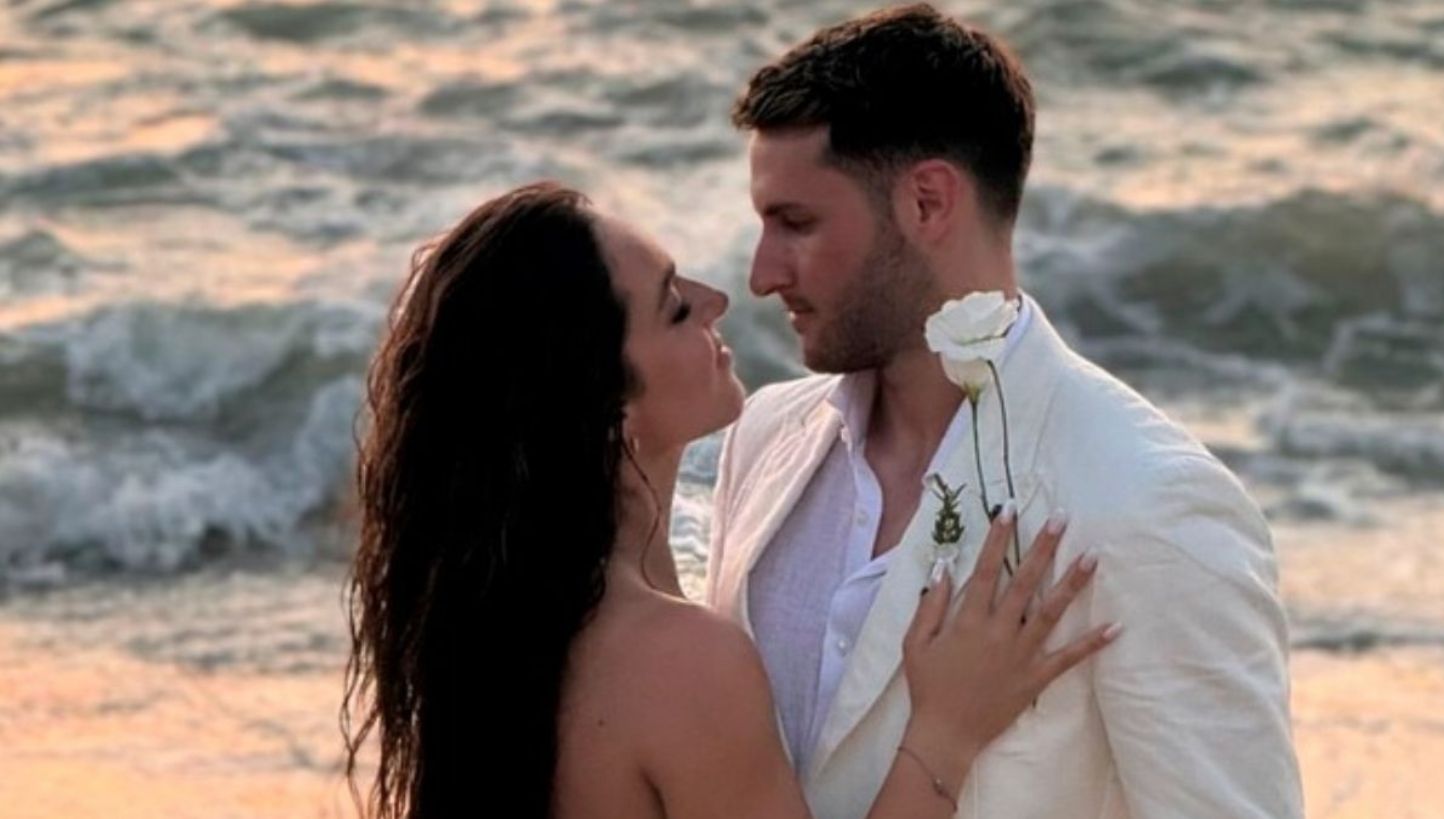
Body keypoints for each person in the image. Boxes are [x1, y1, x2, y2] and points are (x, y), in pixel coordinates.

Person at [342, 182, 1115, 819]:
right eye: (675, 307)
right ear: (607, 409)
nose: (717, 299)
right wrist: (945, 734)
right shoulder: (678, 660)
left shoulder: (503, 630)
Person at [708, 5, 1303, 818]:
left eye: (796, 223)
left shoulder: (1148, 503)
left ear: (927, 202)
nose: (762, 273)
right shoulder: (762, 437)